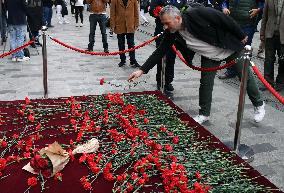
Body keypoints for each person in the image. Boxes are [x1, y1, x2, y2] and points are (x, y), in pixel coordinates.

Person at [128, 5, 266, 124]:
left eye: (166, 23)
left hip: (228, 46)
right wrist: (141, 70)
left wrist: (241, 35)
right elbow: (160, 52)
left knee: (245, 77)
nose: (165, 26)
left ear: (177, 18)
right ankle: (204, 114)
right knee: (205, 83)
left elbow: (223, 19)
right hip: (209, 55)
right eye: (163, 23)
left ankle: (259, 104)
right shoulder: (172, 32)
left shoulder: (197, 13)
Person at [219, 0, 264, 79]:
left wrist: (258, 10)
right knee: (231, 47)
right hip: (232, 23)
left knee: (245, 49)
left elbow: (263, 4)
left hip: (248, 24)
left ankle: (244, 72)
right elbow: (224, 1)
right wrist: (224, 7)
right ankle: (230, 71)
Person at [149, 0, 187, 92]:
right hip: (162, 30)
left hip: (174, 31)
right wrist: (162, 13)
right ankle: (160, 81)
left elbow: (184, 9)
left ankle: (168, 81)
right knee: (161, 57)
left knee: (171, 58)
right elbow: (152, 10)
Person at [260, 0, 284, 91]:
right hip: (270, 34)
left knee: (282, 61)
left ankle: (280, 82)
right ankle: (267, 82)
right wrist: (262, 33)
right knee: (268, 59)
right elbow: (264, 17)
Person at [110, 0, 140, 67]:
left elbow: (136, 12)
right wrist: (112, 25)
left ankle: (133, 61)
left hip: (130, 25)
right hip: (119, 25)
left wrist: (136, 23)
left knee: (131, 44)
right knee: (121, 44)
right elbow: (112, 13)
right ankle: (122, 60)